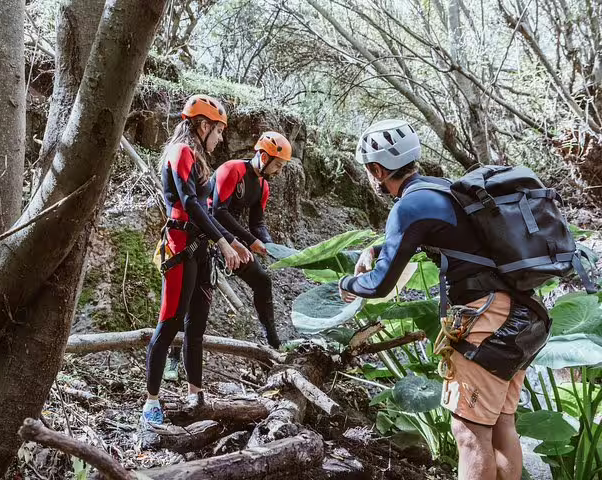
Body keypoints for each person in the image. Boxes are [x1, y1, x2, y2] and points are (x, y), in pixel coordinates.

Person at [337, 119, 549, 480]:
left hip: (488, 322)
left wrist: (347, 282)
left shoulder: (408, 206)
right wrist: (376, 246)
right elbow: (443, 236)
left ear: (376, 170)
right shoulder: (442, 188)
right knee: (501, 425)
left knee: (469, 434)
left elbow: (378, 285)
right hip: (523, 314)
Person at [142, 94, 253, 427]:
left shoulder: (198, 157)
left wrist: (234, 240)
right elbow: (189, 204)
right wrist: (224, 240)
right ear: (203, 125)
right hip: (180, 248)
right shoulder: (181, 153)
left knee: (196, 326)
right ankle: (151, 401)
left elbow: (205, 211)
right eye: (218, 131)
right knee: (170, 323)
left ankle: (196, 394)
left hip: (201, 250)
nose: (220, 139)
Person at [163, 131, 292, 381]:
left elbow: (257, 224)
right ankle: (173, 358)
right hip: (208, 236)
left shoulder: (263, 187)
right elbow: (218, 211)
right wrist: (246, 241)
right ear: (263, 156)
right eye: (277, 165)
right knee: (187, 300)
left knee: (262, 282)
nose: (278, 171)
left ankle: (274, 343)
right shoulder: (232, 170)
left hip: (233, 244)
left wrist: (270, 246)